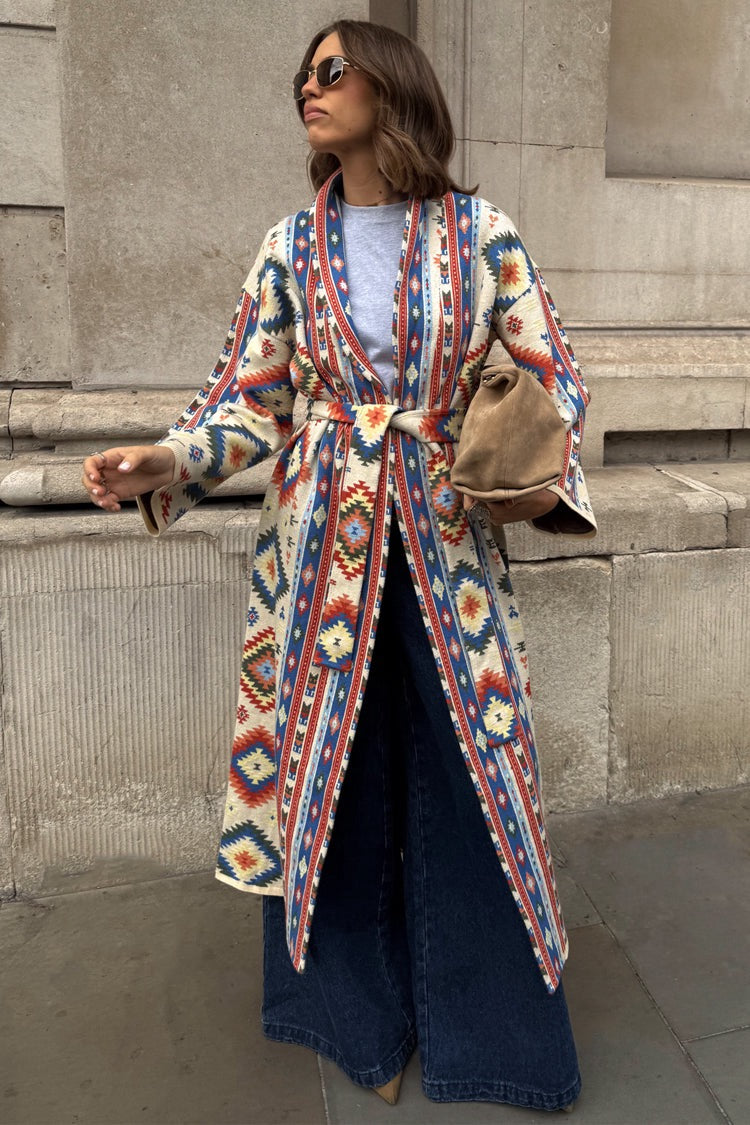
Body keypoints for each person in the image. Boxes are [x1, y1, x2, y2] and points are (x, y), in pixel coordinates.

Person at [81, 19, 596, 1112]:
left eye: (329, 71)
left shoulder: (482, 234)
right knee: (333, 767)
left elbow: (553, 372)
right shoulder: (289, 247)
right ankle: (352, 1021)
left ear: (389, 83)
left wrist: (535, 464)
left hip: (448, 539)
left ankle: (497, 1039)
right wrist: (164, 460)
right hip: (318, 550)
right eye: (301, 79)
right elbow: (249, 400)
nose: (308, 92)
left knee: (476, 772)